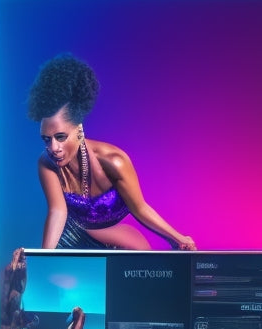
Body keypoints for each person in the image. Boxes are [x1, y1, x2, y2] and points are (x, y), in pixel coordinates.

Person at [26, 53, 196, 252]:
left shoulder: (114, 162)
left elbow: (140, 208)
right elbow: (57, 211)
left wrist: (177, 238)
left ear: (79, 130)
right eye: (47, 139)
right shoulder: (46, 163)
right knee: (24, 276)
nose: (53, 147)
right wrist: (44, 259)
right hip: (75, 240)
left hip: (122, 239)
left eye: (61, 137)